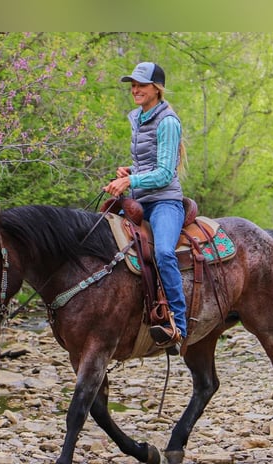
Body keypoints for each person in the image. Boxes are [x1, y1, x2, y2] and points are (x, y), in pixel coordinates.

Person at [103, 62, 187, 353]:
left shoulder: (168, 121)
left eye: (141, 84)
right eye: (133, 85)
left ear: (156, 88)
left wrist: (130, 181)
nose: (135, 89)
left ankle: (178, 325)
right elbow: (148, 160)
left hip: (164, 202)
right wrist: (131, 170)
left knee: (163, 252)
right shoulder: (138, 118)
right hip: (139, 201)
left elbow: (164, 173)